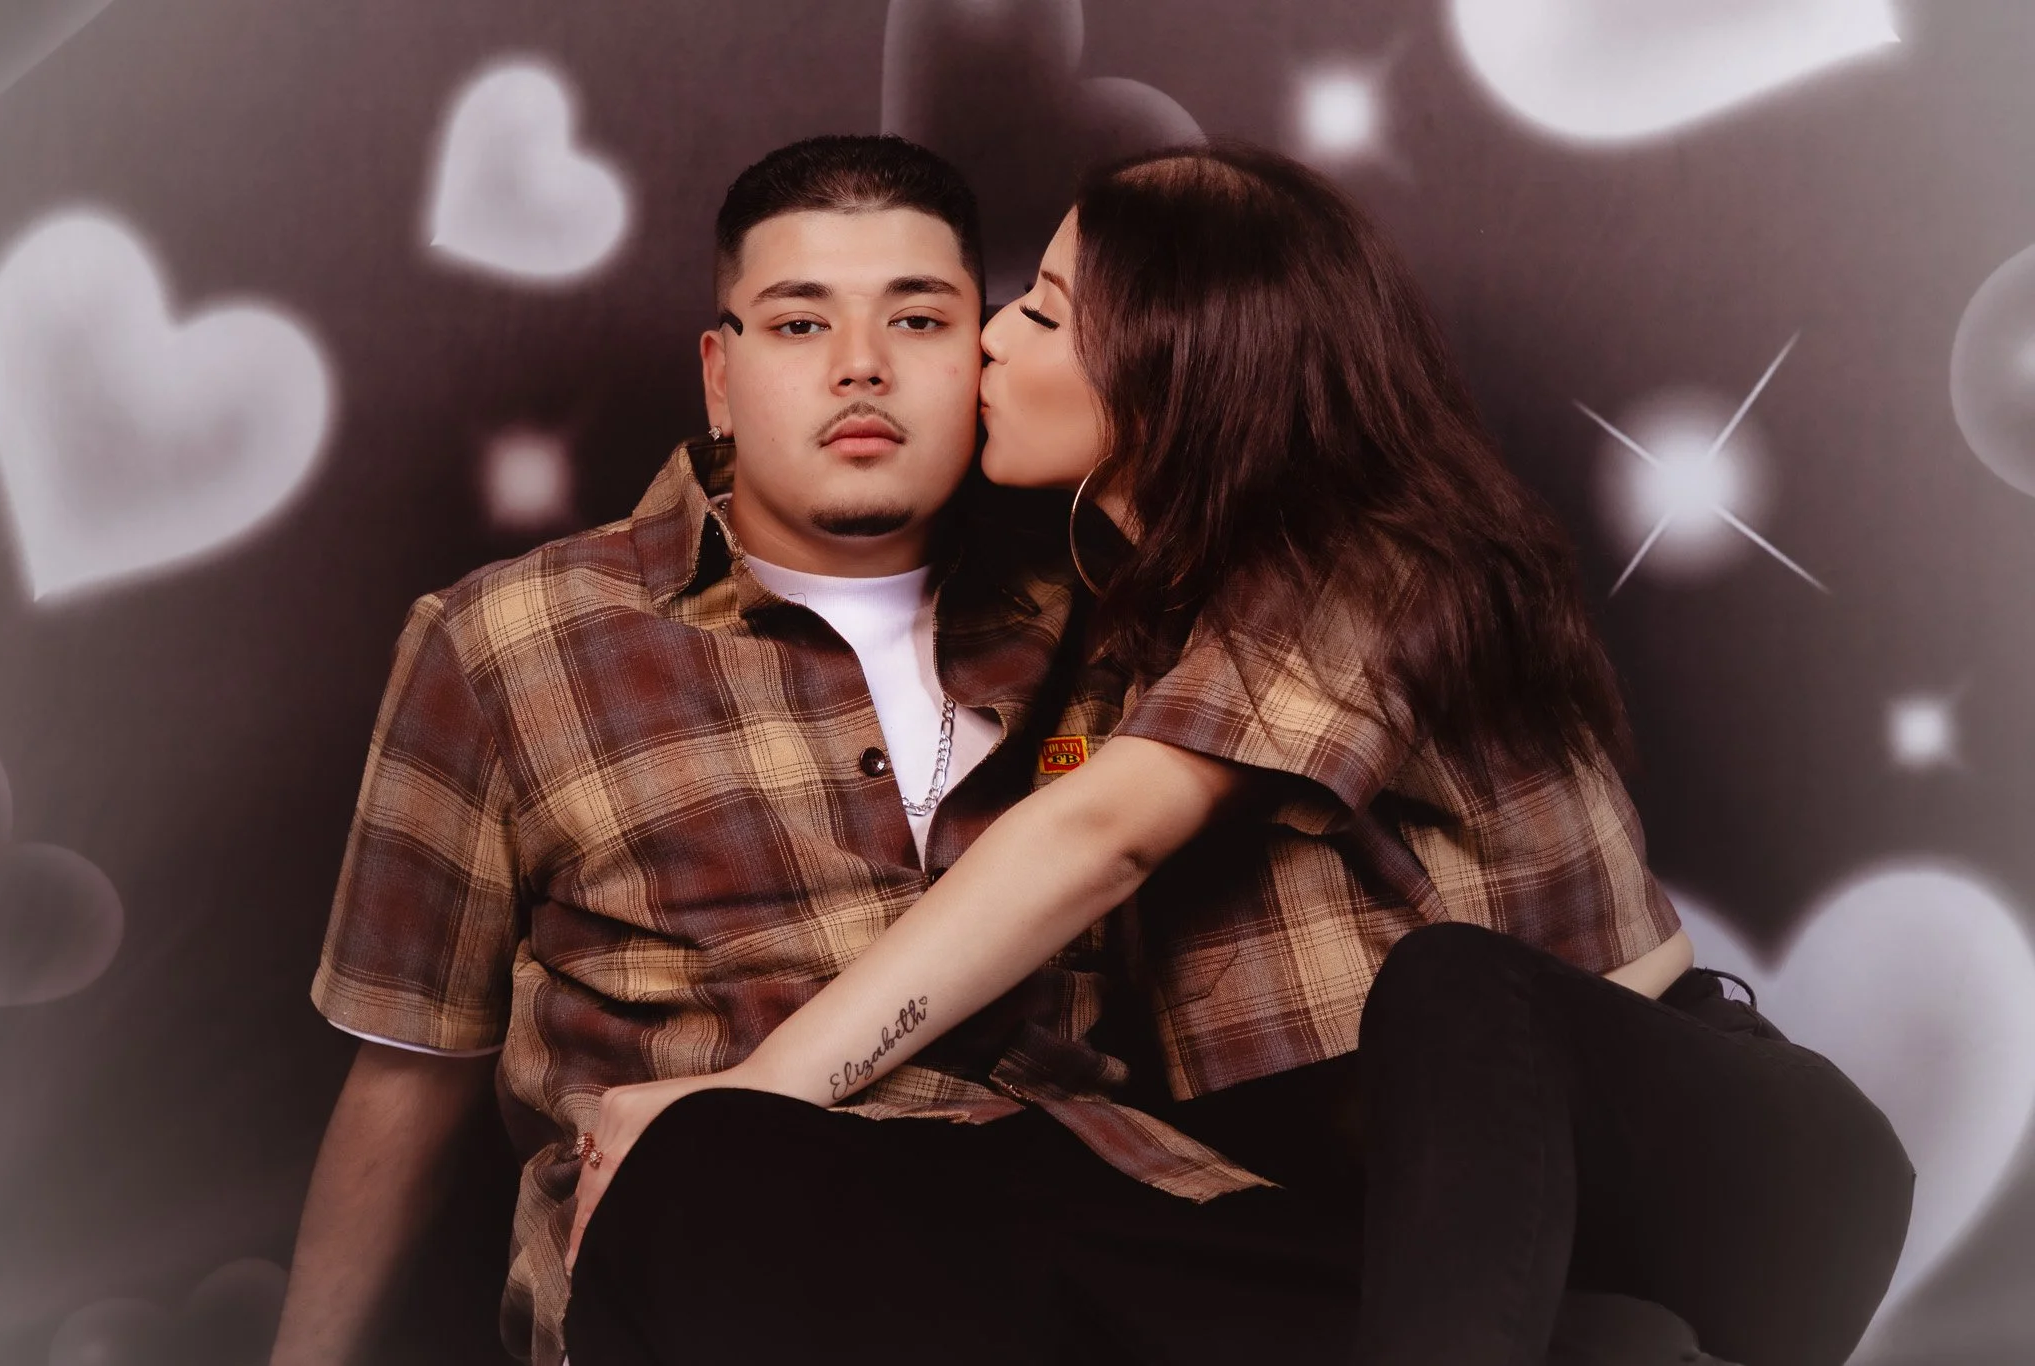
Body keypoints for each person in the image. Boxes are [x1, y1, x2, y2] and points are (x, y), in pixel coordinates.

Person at [580, 143, 1915, 1366]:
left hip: (1723, 1178)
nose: (986, 339)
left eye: (1040, 313)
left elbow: (1099, 839)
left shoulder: (1360, 562)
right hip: (1418, 1260)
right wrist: (725, 1144)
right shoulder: (1119, 634)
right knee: (925, 1178)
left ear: (1169, 376)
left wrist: (754, 1084)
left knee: (1449, 989)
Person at [273, 134, 1384, 1366]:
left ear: (986, 353)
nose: (860, 368)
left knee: (1414, 1303)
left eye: (916, 321)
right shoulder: (505, 639)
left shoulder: (1113, 608)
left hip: (1074, 1189)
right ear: (718, 376)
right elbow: (410, 1071)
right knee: (719, 1165)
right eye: (800, 327)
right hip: (731, 1208)